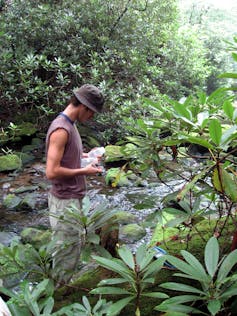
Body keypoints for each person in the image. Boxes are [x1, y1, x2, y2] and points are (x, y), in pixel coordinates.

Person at [45, 84, 104, 284]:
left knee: (72, 248)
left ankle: (64, 289)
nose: (92, 117)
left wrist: (86, 156)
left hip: (72, 199)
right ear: (84, 107)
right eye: (92, 113)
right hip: (64, 202)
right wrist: (84, 171)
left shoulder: (71, 125)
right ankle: (58, 299)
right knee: (65, 251)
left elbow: (67, 157)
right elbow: (51, 172)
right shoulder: (61, 129)